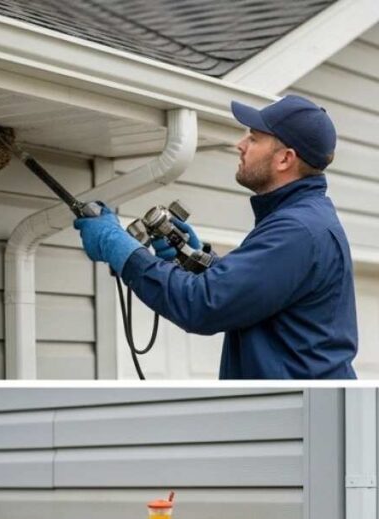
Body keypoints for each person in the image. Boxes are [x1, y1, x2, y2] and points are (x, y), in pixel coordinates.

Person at [74, 94, 357, 379]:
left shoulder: (298, 231)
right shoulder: (301, 221)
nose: (241, 145)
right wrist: (199, 261)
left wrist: (118, 247)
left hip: (299, 413)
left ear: (285, 159)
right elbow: (257, 294)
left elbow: (201, 305)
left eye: (255, 139)